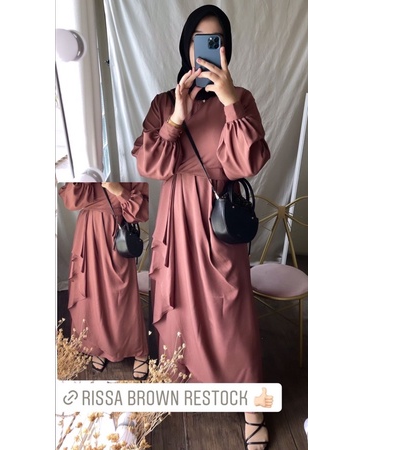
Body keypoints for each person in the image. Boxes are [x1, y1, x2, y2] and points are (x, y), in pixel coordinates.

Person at [132, 5, 271, 449]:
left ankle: (251, 404)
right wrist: (177, 117)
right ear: (186, 45)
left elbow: (246, 162)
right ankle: (180, 381)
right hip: (175, 219)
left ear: (226, 49)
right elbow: (150, 164)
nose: (209, 49)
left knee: (232, 312)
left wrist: (229, 103)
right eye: (200, 40)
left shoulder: (241, 98)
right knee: (178, 307)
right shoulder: (163, 102)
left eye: (217, 41)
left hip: (218, 219)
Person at [58, 182, 150, 380]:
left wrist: (120, 191)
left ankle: (139, 350)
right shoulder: (84, 168)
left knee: (121, 296)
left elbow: (141, 212)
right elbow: (72, 202)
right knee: (92, 294)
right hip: (87, 234)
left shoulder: (124, 165)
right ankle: (99, 345)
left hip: (116, 235)